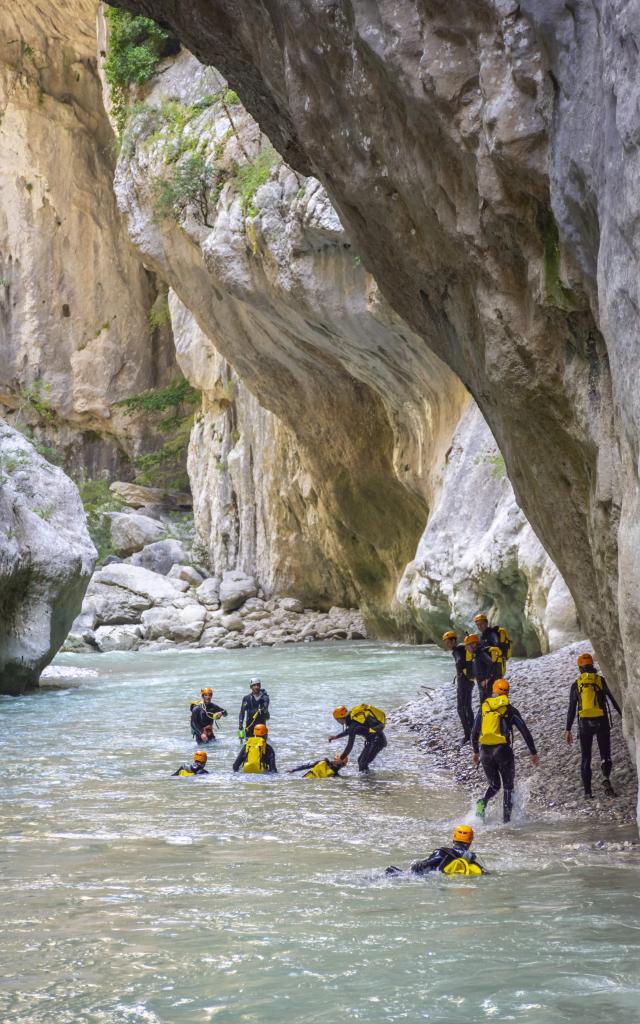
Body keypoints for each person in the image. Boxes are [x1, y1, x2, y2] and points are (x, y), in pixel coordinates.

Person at [471, 679, 539, 823]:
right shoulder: (510, 710)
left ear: (494, 691)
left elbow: (474, 732)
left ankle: (482, 802)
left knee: (494, 785)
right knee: (508, 787)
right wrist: (533, 752)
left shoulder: (484, 707)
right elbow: (524, 731)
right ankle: (506, 822)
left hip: (485, 752)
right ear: (507, 693)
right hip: (502, 751)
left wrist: (476, 752)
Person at [565, 652, 622, 798]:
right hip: (601, 721)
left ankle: (588, 793)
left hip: (584, 724)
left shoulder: (576, 685)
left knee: (586, 757)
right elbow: (613, 700)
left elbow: (572, 708)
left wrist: (568, 729)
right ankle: (605, 778)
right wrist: (623, 716)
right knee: (605, 754)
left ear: (580, 668)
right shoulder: (600, 681)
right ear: (592, 665)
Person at [386, 825, 485, 876]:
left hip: (428, 873)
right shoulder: (471, 857)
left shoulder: (442, 852)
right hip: (442, 876)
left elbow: (426, 864)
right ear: (470, 841)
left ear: (454, 839)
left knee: (392, 870)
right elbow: (484, 871)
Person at [328, 703, 387, 772]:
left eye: (337, 720)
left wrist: (341, 759)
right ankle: (368, 779)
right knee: (360, 761)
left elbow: (349, 746)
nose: (337, 721)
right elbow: (349, 731)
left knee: (363, 763)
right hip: (376, 740)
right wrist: (336, 737)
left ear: (339, 718)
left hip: (377, 741)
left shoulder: (353, 724)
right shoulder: (353, 718)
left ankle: (368, 781)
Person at [442, 630, 474, 745]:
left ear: (454, 641)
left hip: (464, 682)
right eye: (446, 643)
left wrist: (460, 668)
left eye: (448, 642)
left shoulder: (457, 650)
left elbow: (460, 661)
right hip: (469, 681)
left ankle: (468, 735)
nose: (447, 645)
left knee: (461, 708)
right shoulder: (462, 648)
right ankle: (473, 732)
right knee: (467, 707)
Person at [464, 633, 503, 700]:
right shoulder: (475, 654)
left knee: (488, 701)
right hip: (482, 683)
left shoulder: (481, 653)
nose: (466, 648)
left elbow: (490, 663)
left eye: (468, 646)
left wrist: (486, 679)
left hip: (487, 684)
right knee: (484, 702)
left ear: (474, 644)